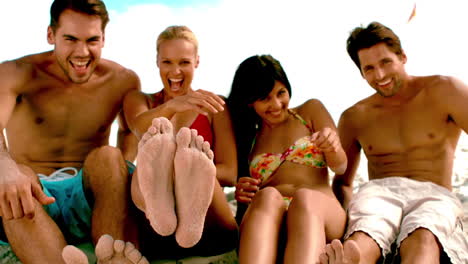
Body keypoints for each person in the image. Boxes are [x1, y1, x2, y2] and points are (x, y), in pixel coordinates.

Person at [0, 0, 148, 263]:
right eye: (70, 39)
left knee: (109, 157)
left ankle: (115, 258)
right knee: (15, 171)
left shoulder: (123, 80)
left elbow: (129, 130)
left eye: (92, 40)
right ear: (50, 35)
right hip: (30, 194)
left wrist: (121, 171)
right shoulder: (15, 73)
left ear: (103, 38)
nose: (82, 52)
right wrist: (5, 166)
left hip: (90, 196)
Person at [319, 22, 468, 264]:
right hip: (380, 193)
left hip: (434, 194)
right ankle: (350, 260)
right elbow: (343, 182)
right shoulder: (355, 116)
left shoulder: (444, 90)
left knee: (423, 235)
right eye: (369, 68)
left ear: (402, 56)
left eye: (385, 62)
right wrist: (346, 220)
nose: (380, 75)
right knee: (366, 231)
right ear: (361, 73)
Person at [122, 25, 238, 259]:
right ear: (157, 62)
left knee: (189, 161)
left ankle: (185, 209)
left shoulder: (214, 106)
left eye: (184, 62)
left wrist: (184, 174)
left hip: (210, 224)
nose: (176, 71)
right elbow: (138, 128)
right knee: (152, 154)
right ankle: (162, 209)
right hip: (155, 231)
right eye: (167, 62)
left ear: (197, 61)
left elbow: (229, 173)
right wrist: (173, 106)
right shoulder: (140, 100)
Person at [227, 54, 348, 263]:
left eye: (281, 93)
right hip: (273, 219)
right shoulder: (248, 138)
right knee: (266, 196)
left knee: (305, 197)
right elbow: (245, 197)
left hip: (321, 210)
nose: (276, 104)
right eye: (265, 98)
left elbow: (341, 167)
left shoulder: (309, 111)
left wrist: (333, 146)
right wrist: (241, 190)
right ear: (249, 102)